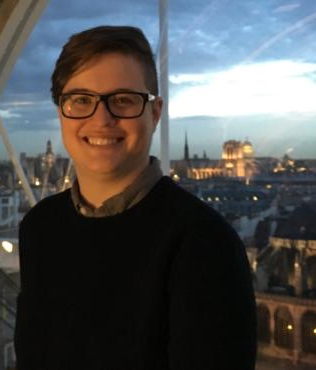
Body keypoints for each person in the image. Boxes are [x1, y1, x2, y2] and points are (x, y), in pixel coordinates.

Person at [14, 25, 257, 370]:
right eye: (81, 99)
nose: (102, 119)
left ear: (155, 113)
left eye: (123, 100)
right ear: (61, 112)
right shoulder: (39, 227)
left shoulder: (205, 243)